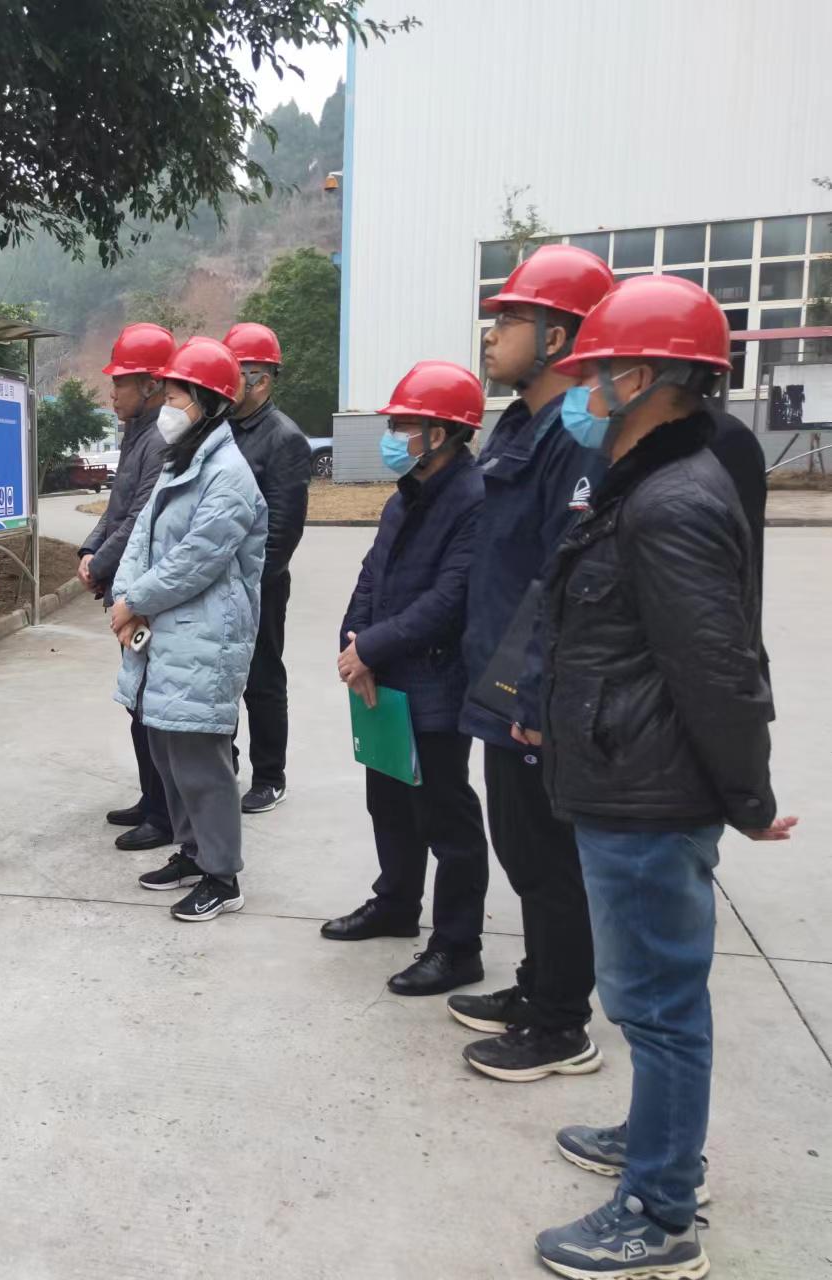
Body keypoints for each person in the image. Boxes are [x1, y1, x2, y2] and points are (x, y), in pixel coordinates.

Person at [532, 274, 795, 1280]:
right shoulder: (645, 485)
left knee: (658, 1005)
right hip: (626, 776)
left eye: (594, 372)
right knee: (646, 998)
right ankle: (655, 1139)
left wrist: (747, 796)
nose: (581, 391)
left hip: (649, 793)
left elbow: (715, 666)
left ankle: (659, 1209)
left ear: (640, 378)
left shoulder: (671, 501)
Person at [450, 244, 613, 1084]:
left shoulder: (578, 438)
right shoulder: (518, 425)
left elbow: (566, 578)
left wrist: (534, 693)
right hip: (500, 679)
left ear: (557, 337)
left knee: (549, 862)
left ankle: (560, 1025)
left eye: (509, 320)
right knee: (521, 848)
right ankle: (537, 983)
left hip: (533, 691)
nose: (492, 334)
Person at [324, 362, 490, 996]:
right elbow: (373, 575)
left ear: (440, 433)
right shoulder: (406, 496)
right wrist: (354, 645)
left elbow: (451, 598)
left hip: (438, 681)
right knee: (389, 801)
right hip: (385, 678)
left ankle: (458, 946)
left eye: (403, 425)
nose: (393, 436)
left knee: (445, 816)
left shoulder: (474, 499)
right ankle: (395, 904)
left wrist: (370, 647)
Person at [110, 338, 268, 922]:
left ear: (208, 402)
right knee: (167, 749)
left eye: (177, 396)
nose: (168, 406)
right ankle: (193, 852)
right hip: (165, 629)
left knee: (201, 758)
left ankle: (222, 876)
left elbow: (196, 559)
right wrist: (126, 596)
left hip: (205, 635)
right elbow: (142, 537)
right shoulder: (182, 460)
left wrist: (135, 601)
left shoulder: (230, 476)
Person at [80, 322, 177, 853]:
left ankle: (164, 813)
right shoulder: (136, 434)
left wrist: (100, 563)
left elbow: (140, 518)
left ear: (151, 384)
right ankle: (150, 798)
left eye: (121, 381)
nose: (112, 391)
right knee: (137, 698)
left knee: (150, 703)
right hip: (127, 593)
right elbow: (115, 508)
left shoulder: (159, 440)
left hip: (146, 600)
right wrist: (89, 551)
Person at [222, 322, 313, 814]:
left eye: (233, 372)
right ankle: (224, 763)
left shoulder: (284, 439)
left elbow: (282, 532)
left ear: (259, 378)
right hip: (219, 579)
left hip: (261, 584)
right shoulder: (222, 429)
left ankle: (270, 776)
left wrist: (247, 585)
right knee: (222, 675)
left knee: (261, 678)